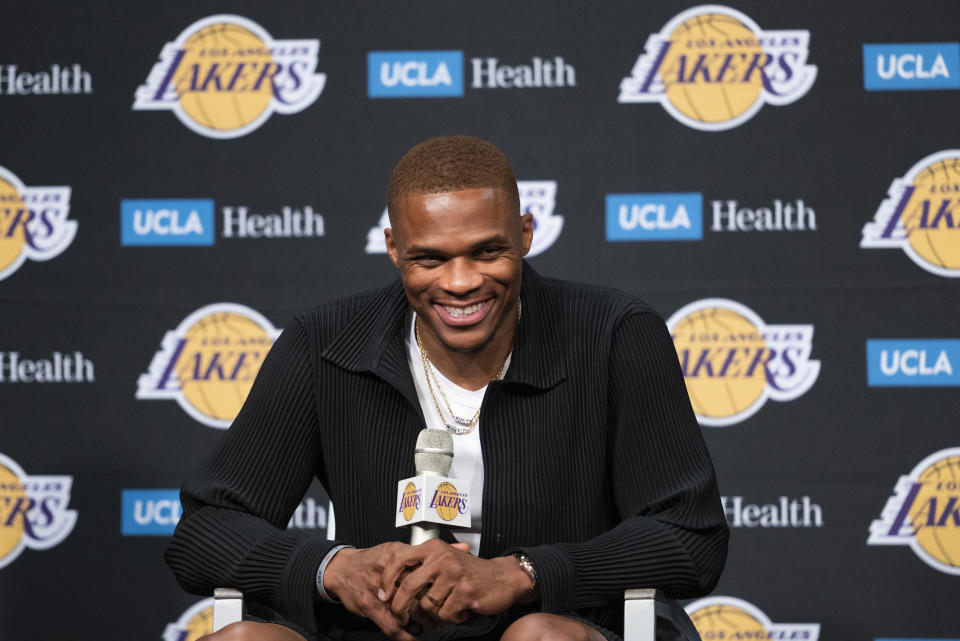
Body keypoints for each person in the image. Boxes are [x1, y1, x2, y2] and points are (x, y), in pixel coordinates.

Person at [166, 136, 728, 641]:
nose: (461, 283)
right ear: (393, 249)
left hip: (553, 626)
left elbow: (689, 536)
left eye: (487, 251)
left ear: (526, 233)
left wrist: (520, 573)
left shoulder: (613, 334)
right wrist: (334, 567)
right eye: (430, 259)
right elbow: (203, 530)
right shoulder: (325, 344)